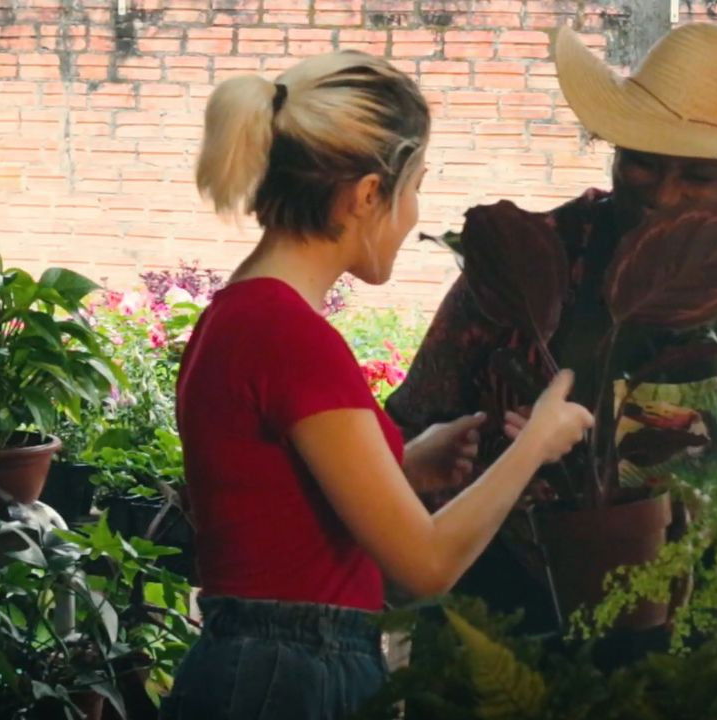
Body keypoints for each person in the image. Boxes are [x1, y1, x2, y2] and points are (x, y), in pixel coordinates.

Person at [163, 50, 595, 720]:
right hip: (294, 675)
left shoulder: (243, 314)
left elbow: (273, 510)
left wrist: (404, 467)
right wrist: (533, 444)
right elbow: (423, 567)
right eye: (414, 184)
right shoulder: (292, 337)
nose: (415, 211)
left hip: (261, 666)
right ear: (368, 194)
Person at [386, 23, 717, 640]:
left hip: (708, 644)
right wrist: (501, 472)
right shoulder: (532, 261)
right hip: (508, 628)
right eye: (642, 164)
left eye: (697, 177)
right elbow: (413, 432)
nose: (663, 195)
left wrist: (707, 534)